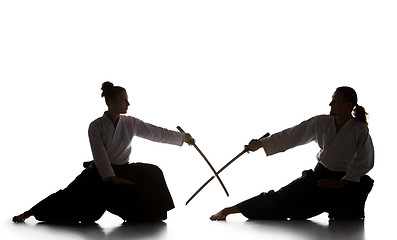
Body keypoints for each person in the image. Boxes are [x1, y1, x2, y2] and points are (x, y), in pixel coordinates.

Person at [13, 81, 193, 223]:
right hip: (100, 173)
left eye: (127, 99)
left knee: (152, 172)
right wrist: (111, 178)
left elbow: (156, 133)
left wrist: (182, 137)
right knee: (75, 201)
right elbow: (99, 154)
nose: (128, 103)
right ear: (110, 102)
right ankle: (30, 212)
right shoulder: (96, 126)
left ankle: (153, 215)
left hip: (123, 169)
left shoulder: (130, 122)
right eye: (124, 100)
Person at [210, 86, 374, 221]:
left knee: (357, 199)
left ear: (348, 105)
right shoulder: (321, 122)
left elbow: (365, 161)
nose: (330, 104)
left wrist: (341, 183)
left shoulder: (359, 130)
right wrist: (262, 144)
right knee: (282, 202)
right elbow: (293, 135)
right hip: (320, 178)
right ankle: (229, 210)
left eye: (335, 101)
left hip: (344, 183)